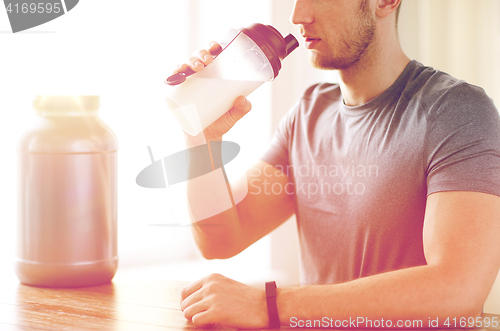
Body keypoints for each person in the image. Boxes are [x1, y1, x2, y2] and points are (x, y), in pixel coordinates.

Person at [175, 0, 500, 328]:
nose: (298, 16)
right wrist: (200, 136)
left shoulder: (457, 112)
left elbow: (458, 291)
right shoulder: (308, 116)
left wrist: (268, 304)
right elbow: (220, 239)